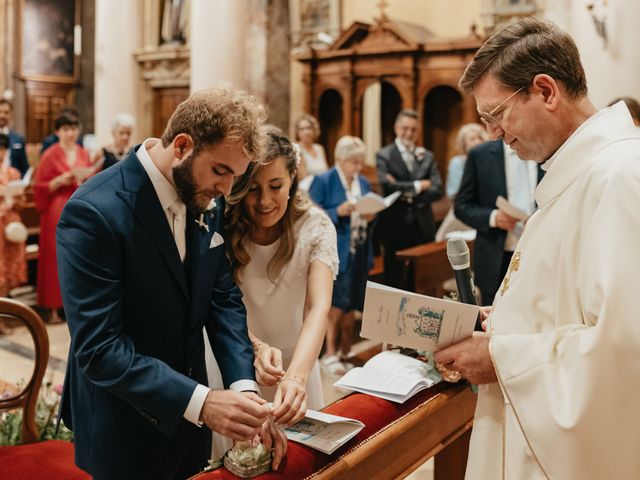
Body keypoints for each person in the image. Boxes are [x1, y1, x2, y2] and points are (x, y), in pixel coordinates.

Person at [434, 18, 640, 479]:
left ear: (545, 91)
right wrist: (504, 317)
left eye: (496, 114)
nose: (493, 134)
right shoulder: (577, 172)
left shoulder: (619, 176)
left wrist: (500, 356)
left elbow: (625, 347)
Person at [56, 85, 286, 479]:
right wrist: (203, 402)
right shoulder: (94, 212)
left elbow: (222, 297)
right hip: (123, 422)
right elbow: (99, 348)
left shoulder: (203, 197)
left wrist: (244, 390)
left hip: (190, 424)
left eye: (236, 176)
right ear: (181, 146)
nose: (226, 191)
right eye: (220, 171)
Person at [208, 126, 337, 456]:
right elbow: (218, 304)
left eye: (276, 186)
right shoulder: (223, 225)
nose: (264, 201)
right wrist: (253, 348)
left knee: (297, 461)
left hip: (296, 362)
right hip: (231, 361)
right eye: (252, 189)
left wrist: (296, 378)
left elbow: (317, 308)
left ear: (293, 177)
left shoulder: (316, 227)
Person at [309, 136, 374, 376]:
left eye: (360, 162)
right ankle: (329, 353)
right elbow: (310, 214)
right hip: (335, 251)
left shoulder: (363, 183)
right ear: (340, 159)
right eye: (353, 162)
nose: (357, 168)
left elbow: (370, 210)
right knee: (335, 306)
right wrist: (337, 211)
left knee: (351, 306)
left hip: (359, 249)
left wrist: (370, 216)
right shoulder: (324, 180)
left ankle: (345, 352)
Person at [454, 140, 543, 304]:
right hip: (495, 253)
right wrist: (493, 218)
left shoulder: (544, 149)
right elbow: (461, 206)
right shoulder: (480, 154)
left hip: (538, 253)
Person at [34, 111, 92, 324]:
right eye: (66, 129)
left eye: (73, 128)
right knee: (53, 256)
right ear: (58, 131)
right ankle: (52, 308)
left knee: (77, 255)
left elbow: (90, 176)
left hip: (78, 205)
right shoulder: (49, 154)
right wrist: (59, 180)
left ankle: (73, 304)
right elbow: (39, 187)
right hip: (56, 208)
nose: (70, 133)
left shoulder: (82, 152)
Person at [376, 109, 443, 288]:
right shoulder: (385, 155)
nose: (409, 133)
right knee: (394, 275)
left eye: (413, 129)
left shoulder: (427, 156)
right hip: (394, 222)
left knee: (422, 276)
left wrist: (404, 191)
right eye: (405, 128)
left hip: (422, 222)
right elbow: (387, 186)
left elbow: (437, 189)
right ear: (396, 128)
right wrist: (420, 186)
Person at [435, 123, 487, 241]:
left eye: (480, 138)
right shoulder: (457, 163)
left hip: (483, 211)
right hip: (463, 212)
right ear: (464, 143)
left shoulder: (488, 162)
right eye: (472, 139)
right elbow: (454, 193)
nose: (477, 141)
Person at [0, 133, 27, 334]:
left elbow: (22, 202)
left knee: (9, 273)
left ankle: (6, 315)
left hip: (11, 227)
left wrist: (16, 199)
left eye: (2, 148)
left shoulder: (12, 173)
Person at [293, 114, 328, 190]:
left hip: (324, 189)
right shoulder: (296, 149)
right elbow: (303, 178)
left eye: (309, 128)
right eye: (302, 129)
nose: (306, 132)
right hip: (307, 190)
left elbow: (327, 173)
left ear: (314, 130)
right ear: (297, 132)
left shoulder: (320, 148)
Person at [0, 99, 29, 177]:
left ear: (10, 114)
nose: (2, 115)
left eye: (6, 112)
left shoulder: (18, 139)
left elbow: (24, 168)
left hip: (13, 185)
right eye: (0, 112)